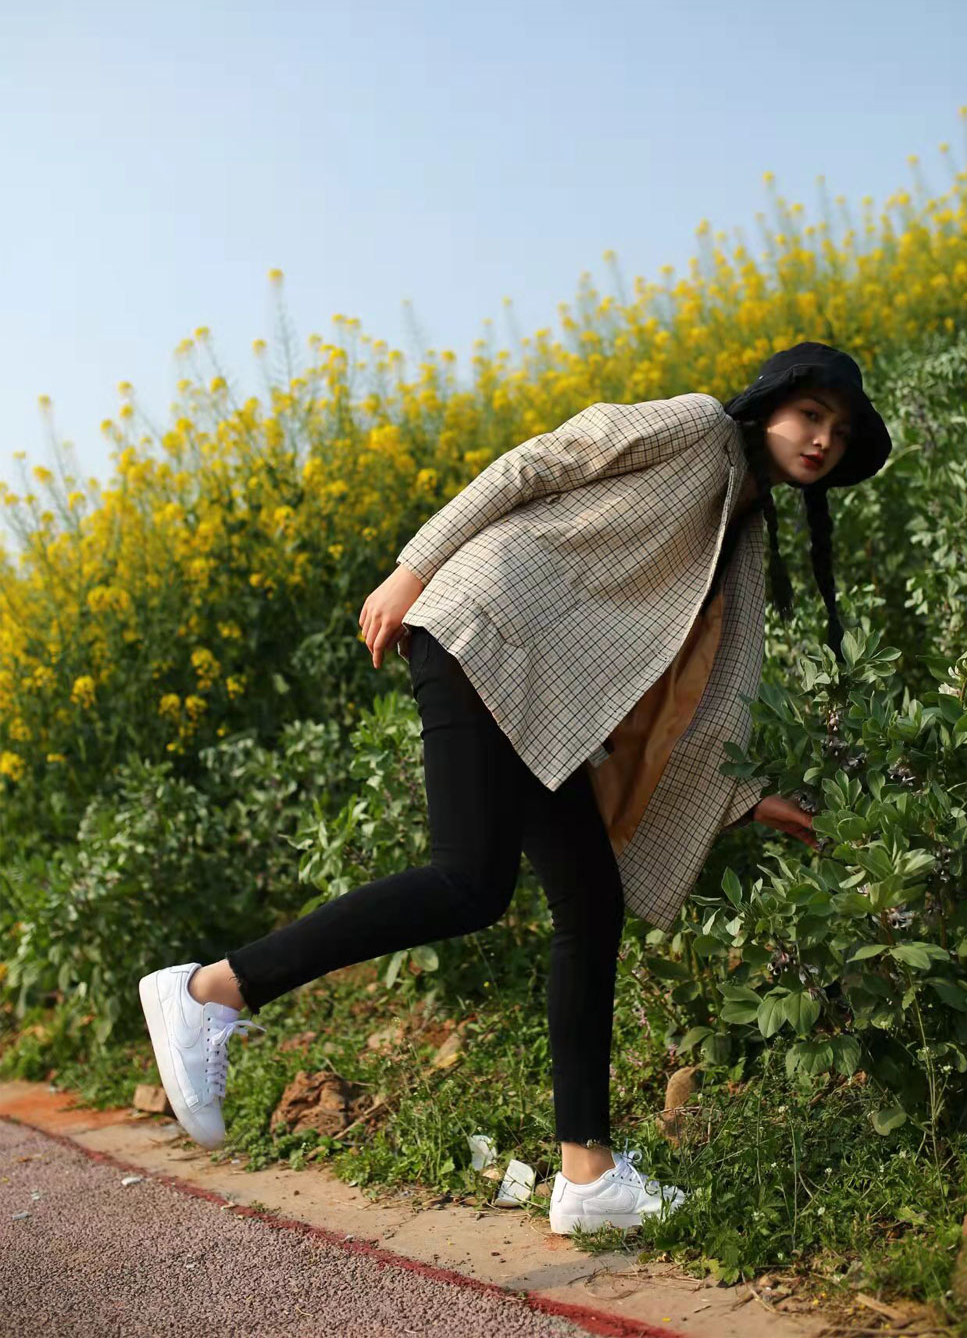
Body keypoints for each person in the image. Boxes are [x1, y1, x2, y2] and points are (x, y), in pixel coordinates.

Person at [139, 339, 891, 1237]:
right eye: (811, 415)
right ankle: (210, 991)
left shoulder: (745, 521)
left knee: (589, 903)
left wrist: (744, 794)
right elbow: (541, 462)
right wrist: (414, 566)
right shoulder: (696, 428)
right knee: (469, 881)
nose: (822, 440)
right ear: (768, 404)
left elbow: (712, 687)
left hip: (536, 688)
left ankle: (587, 1178)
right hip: (485, 627)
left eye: (839, 433)